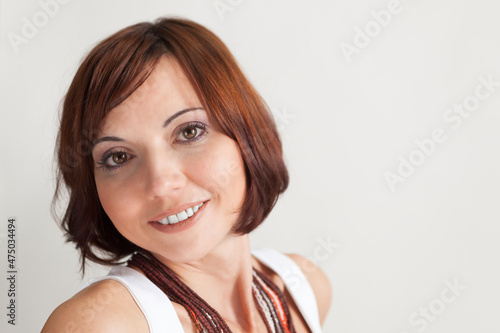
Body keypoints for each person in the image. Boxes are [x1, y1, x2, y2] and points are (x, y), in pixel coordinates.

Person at [42, 17, 331, 333]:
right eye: (119, 157)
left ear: (247, 134)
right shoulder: (98, 325)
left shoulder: (304, 286)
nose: (161, 184)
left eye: (190, 132)